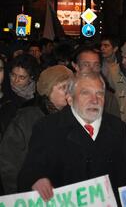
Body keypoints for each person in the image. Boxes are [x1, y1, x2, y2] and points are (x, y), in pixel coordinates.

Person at [17, 72, 126, 202]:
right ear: (69, 98)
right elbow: (31, 168)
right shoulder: (48, 128)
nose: (94, 100)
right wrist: (36, 179)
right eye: (85, 93)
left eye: (99, 93)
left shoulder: (116, 127)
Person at [0, 65, 73, 194]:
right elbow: (9, 164)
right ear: (48, 90)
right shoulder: (26, 118)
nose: (69, 93)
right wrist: (19, 195)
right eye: (63, 87)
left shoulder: (75, 117)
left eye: (71, 88)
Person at [71, 46, 121, 118]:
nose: (91, 69)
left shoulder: (108, 98)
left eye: (96, 65)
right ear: (75, 66)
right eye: (86, 64)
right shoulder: (67, 93)